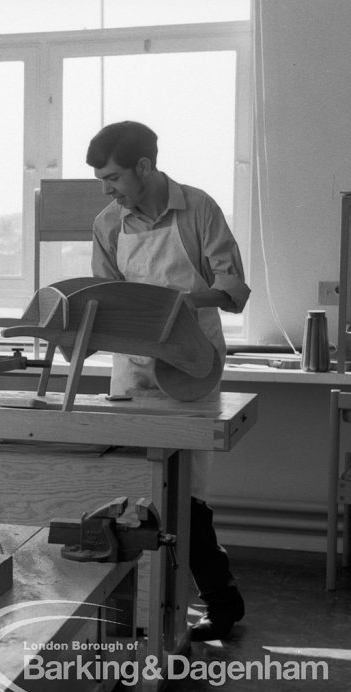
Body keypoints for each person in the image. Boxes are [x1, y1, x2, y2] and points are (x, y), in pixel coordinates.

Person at [86, 120, 251, 642]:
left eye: (113, 176)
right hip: (134, 368)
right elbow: (104, 296)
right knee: (136, 490)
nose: (107, 189)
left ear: (144, 166)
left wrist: (175, 304)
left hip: (192, 365)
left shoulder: (197, 208)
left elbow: (232, 288)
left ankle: (219, 604)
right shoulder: (108, 224)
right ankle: (147, 612)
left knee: (187, 492)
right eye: (101, 179)